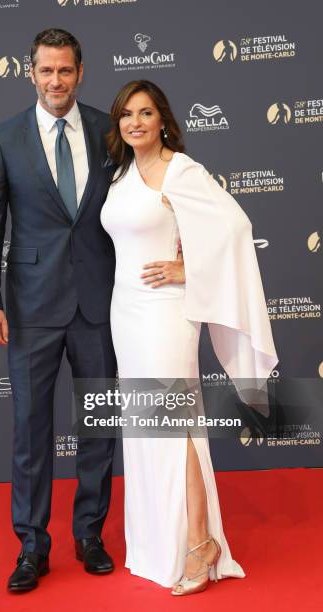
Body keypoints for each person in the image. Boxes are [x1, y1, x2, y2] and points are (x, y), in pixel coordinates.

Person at [101, 80, 278, 595]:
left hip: (165, 314)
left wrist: (187, 268)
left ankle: (201, 543)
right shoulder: (123, 173)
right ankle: (161, 544)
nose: (136, 122)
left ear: (163, 119)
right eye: (127, 114)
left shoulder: (182, 170)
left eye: (146, 113)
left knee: (173, 426)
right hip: (126, 313)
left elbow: (235, 229)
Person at [0, 28, 132, 592]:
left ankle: (89, 534)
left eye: (66, 71)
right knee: (30, 431)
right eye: (46, 71)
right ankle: (32, 546)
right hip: (31, 307)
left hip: (98, 303)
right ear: (31, 73)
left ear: (80, 72)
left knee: (97, 425)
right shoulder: (4, 138)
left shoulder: (107, 131)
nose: (56, 81)